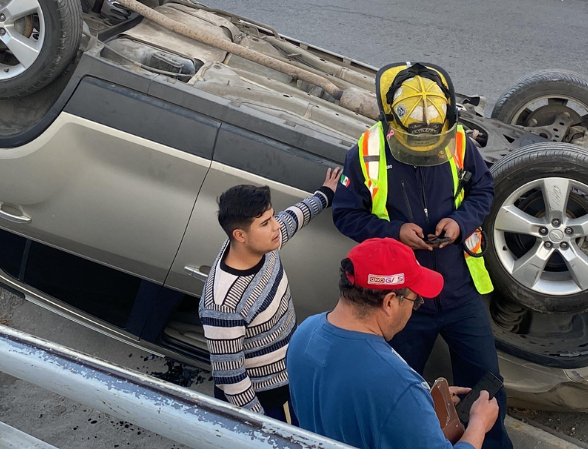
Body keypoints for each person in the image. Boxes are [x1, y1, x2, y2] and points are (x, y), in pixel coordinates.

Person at [333, 63, 511, 449]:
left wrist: (459, 222)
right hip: (401, 300)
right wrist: (395, 232)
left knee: (488, 390)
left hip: (461, 291)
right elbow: (345, 214)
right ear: (392, 123)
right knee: (399, 396)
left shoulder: (460, 142)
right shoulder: (366, 152)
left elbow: (483, 190)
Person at [287, 238, 501, 449]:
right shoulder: (400, 385)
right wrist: (479, 423)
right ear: (389, 302)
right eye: (415, 300)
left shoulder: (304, 333)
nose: (413, 308)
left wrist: (421, 404)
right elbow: (384, 392)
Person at [200, 168, 341, 422]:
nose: (276, 226)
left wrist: (325, 194)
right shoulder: (222, 305)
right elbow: (231, 379)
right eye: (265, 223)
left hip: (291, 374)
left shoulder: (264, 246)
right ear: (239, 235)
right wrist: (262, 427)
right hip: (268, 399)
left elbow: (293, 218)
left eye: (271, 216)